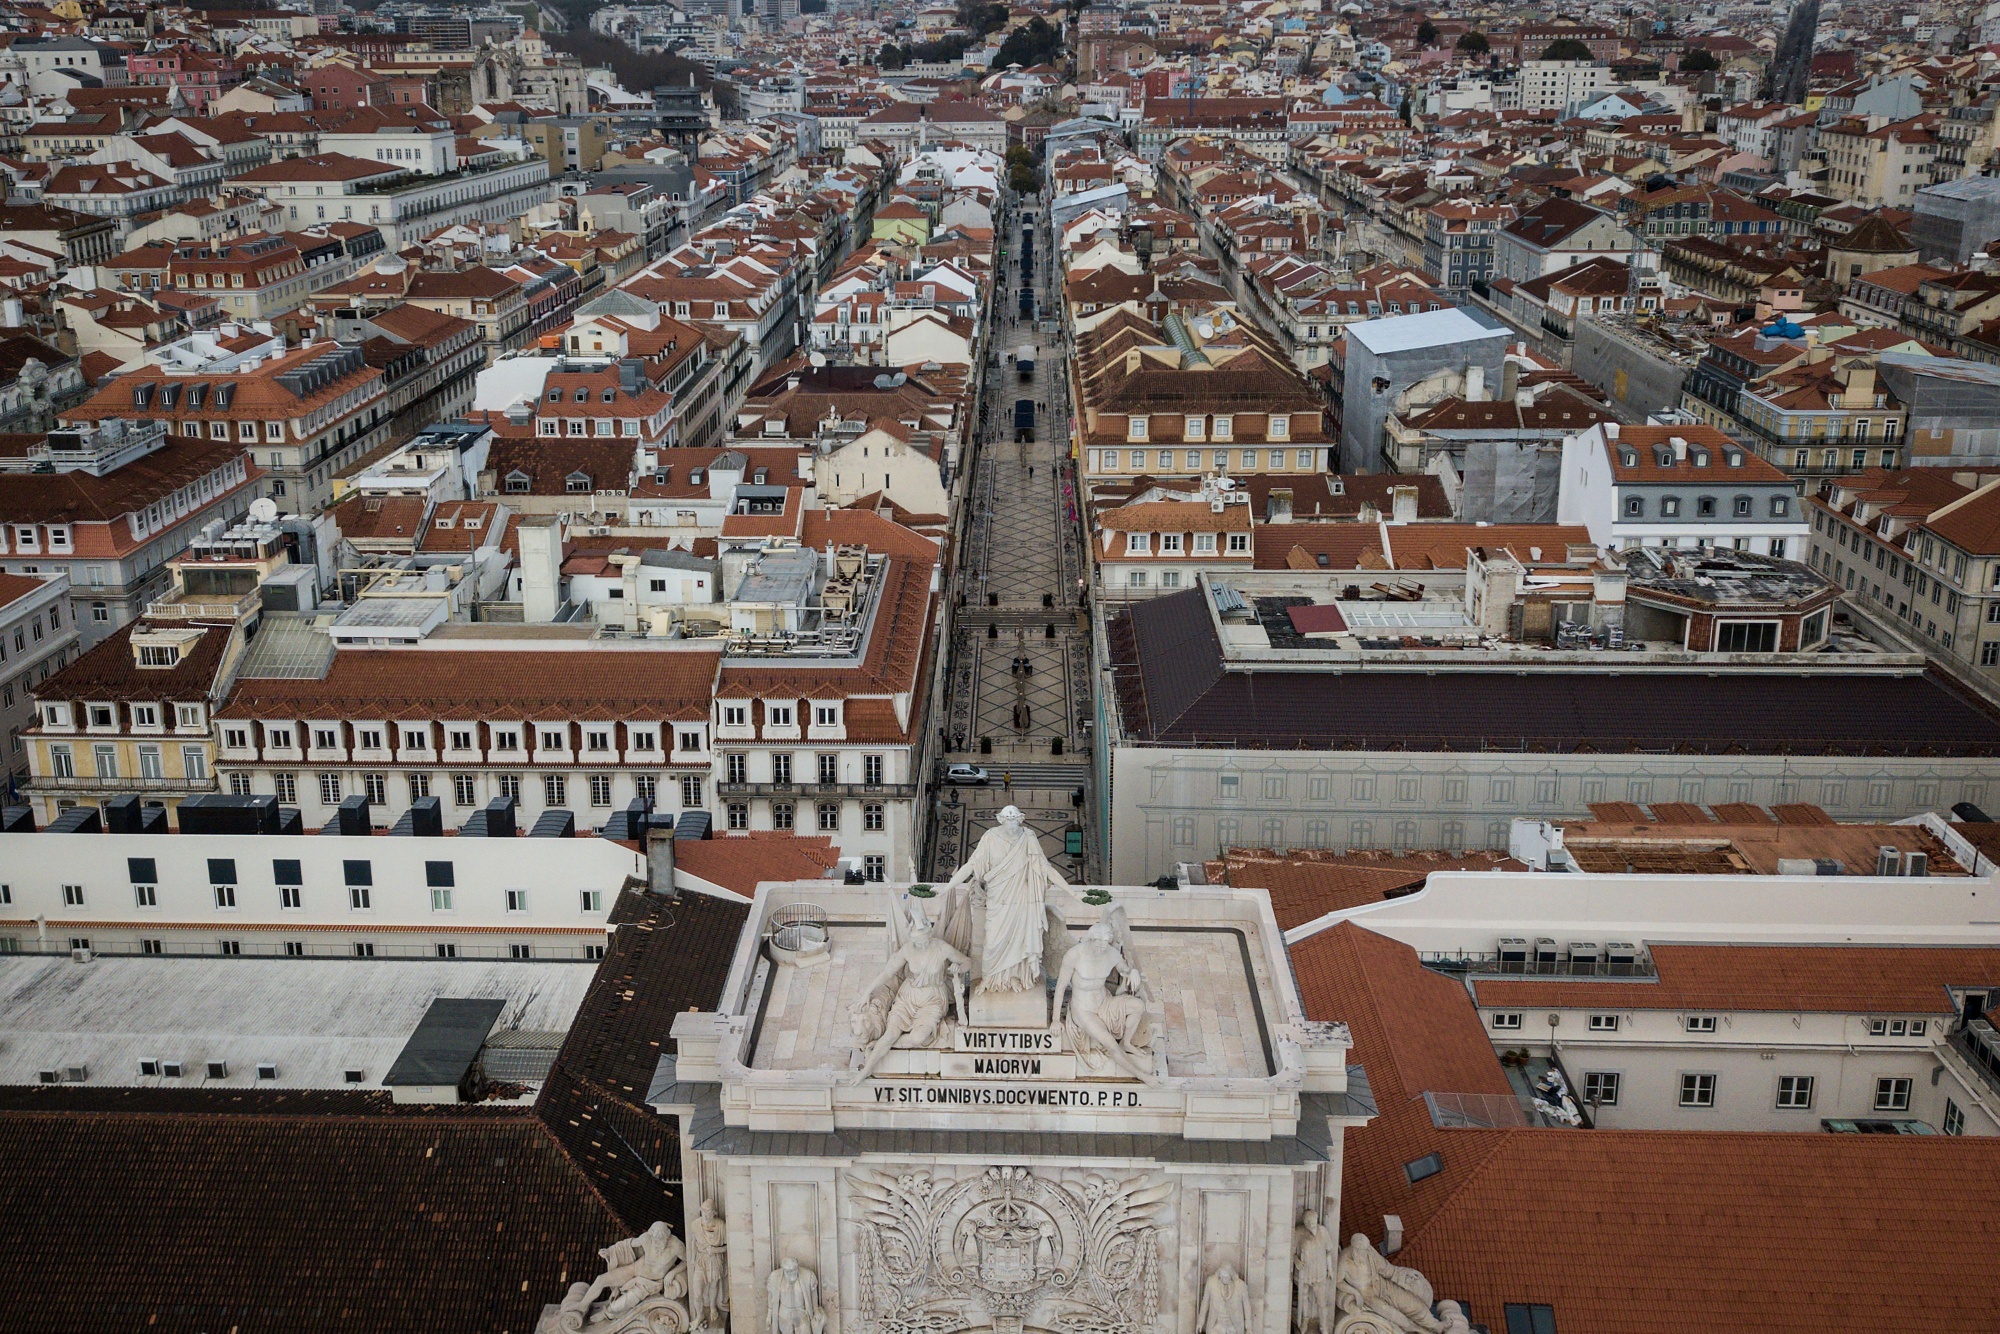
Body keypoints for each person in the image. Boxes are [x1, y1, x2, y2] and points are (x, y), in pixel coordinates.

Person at [940, 804, 1063, 993]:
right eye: (1007, 819)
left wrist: (1073, 892)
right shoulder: (990, 837)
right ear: (1000, 820)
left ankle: (1015, 976)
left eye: (1015, 819)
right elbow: (971, 865)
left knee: (1020, 941)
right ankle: (989, 978)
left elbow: (1045, 868)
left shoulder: (1028, 838)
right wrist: (946, 888)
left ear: (1021, 819)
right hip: (997, 901)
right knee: (992, 943)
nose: (1011, 823)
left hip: (1022, 900)